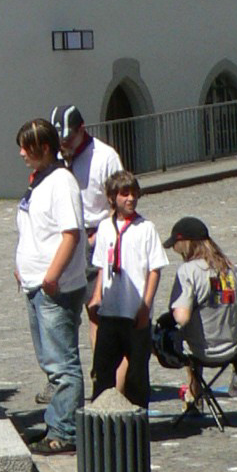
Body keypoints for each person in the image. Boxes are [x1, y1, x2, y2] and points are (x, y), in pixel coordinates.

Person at [15, 115, 88, 455]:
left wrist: (52, 276)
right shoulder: (40, 180)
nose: (20, 154)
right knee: (50, 362)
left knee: (62, 364)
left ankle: (66, 432)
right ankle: (55, 424)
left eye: (26, 148)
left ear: (45, 148)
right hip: (34, 284)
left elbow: (70, 233)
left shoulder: (62, 182)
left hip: (53, 288)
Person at [85, 170, 165, 407]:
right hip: (110, 311)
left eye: (134, 194)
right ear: (112, 198)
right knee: (102, 370)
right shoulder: (105, 228)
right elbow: (102, 265)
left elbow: (154, 269)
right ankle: (102, 423)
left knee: (136, 375)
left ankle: (137, 422)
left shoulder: (146, 228)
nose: (130, 199)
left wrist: (145, 306)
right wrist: (97, 295)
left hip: (134, 313)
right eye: (124, 194)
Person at [158, 215, 237, 401]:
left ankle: (193, 393)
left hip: (202, 352)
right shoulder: (230, 268)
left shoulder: (189, 271)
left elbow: (181, 317)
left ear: (185, 243)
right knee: (205, 317)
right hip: (232, 348)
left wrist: (168, 317)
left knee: (160, 333)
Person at [50, 103, 124, 234]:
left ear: (81, 129)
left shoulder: (106, 157)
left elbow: (121, 202)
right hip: (64, 232)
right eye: (59, 140)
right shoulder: (55, 157)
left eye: (68, 139)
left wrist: (97, 238)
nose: (63, 145)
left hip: (96, 232)